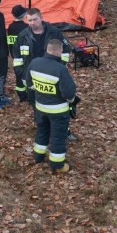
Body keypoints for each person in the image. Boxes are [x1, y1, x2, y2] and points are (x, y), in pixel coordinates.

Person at [28, 39, 78, 173]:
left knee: (42, 131)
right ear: (58, 51)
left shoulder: (34, 63)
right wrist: (72, 100)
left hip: (40, 108)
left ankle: (38, 157)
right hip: (58, 111)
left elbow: (29, 84)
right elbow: (69, 93)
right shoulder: (60, 69)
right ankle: (57, 166)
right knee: (57, 137)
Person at [12, 8, 71, 105]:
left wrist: (60, 67)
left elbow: (65, 51)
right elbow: (17, 59)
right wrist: (24, 76)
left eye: (35, 19)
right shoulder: (22, 36)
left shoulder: (54, 32)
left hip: (51, 75)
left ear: (41, 18)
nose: (32, 23)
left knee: (52, 102)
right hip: (31, 75)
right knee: (34, 104)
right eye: (30, 20)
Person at [7, 5, 30, 102]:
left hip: (15, 56)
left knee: (18, 75)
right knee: (27, 74)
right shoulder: (26, 27)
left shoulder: (10, 27)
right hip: (26, 56)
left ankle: (21, 94)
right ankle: (28, 94)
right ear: (24, 15)